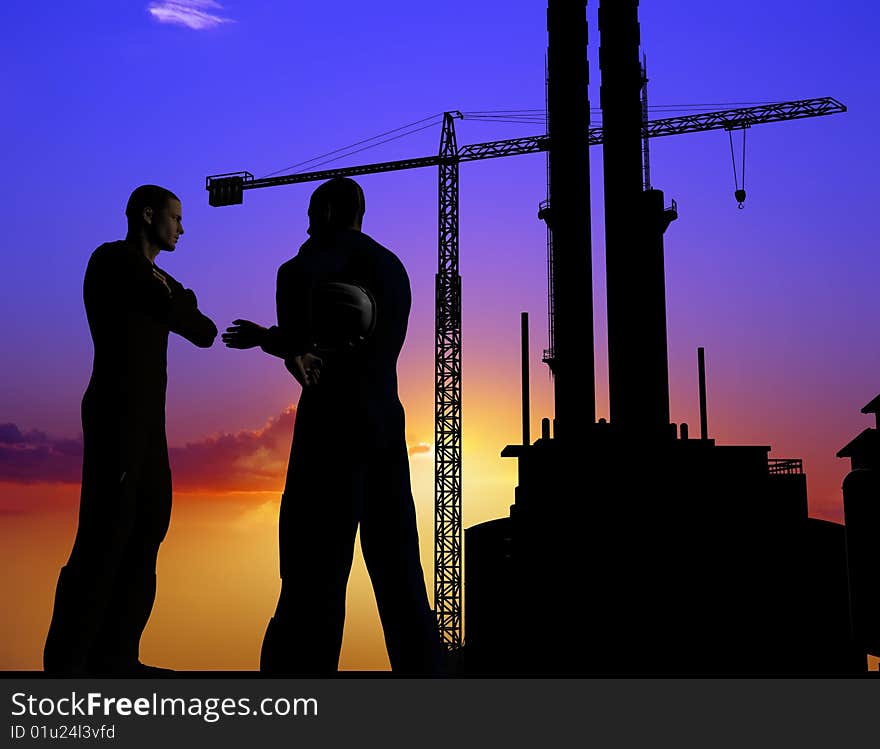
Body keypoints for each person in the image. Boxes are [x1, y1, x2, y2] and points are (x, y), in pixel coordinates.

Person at [223, 177, 444, 674]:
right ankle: (428, 677)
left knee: (313, 572)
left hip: (329, 429)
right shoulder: (394, 268)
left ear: (323, 212)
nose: (305, 223)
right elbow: (370, 340)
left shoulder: (299, 268)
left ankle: (300, 692)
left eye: (310, 211)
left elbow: (304, 348)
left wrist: (268, 339)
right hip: (386, 424)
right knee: (401, 572)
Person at [43, 185, 217, 676]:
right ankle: (70, 664)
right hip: (114, 416)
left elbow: (202, 330)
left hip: (149, 423)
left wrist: (177, 297)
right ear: (147, 215)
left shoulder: (158, 278)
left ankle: (119, 656)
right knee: (105, 534)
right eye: (175, 217)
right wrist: (177, 297)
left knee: (148, 527)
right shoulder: (112, 262)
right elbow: (174, 307)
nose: (181, 228)